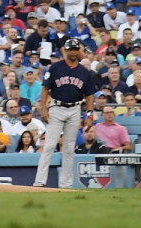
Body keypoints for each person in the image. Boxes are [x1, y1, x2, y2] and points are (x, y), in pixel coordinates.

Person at [33, 37, 98, 188]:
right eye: (71, 49)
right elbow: (45, 89)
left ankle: (66, 184)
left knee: (69, 148)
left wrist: (88, 116)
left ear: (79, 51)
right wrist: (43, 109)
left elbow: (89, 96)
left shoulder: (84, 72)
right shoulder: (55, 68)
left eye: (76, 49)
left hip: (75, 109)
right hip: (56, 108)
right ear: (65, 50)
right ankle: (39, 182)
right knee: (49, 146)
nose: (73, 52)